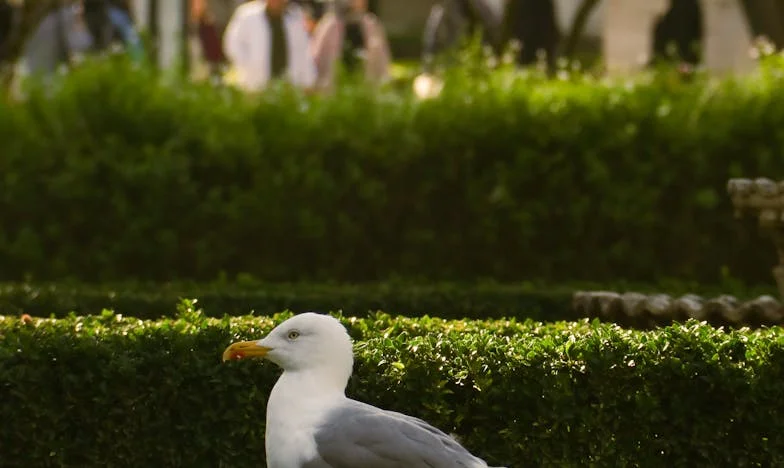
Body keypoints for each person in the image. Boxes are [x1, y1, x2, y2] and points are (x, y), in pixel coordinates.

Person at [222, 0, 316, 92]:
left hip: (288, 86)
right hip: (255, 86)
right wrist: (249, 66)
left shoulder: (296, 17)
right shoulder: (247, 14)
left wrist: (308, 81)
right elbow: (232, 44)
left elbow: (304, 51)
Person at [310, 0, 391, 92]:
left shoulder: (371, 25)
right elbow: (315, 61)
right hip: (335, 91)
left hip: (365, 90)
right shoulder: (329, 26)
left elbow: (382, 61)